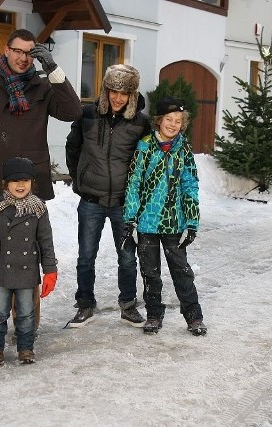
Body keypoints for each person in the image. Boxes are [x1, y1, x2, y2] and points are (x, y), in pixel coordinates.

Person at [0, 29, 82, 336]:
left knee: (28, 251)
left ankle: (27, 320)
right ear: (6, 49)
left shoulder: (43, 85)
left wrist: (53, 69)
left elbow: (72, 111)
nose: (23, 58)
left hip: (30, 182)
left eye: (30, 53)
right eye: (18, 50)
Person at [64, 64, 151, 328]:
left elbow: (146, 161)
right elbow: (73, 147)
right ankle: (85, 304)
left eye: (123, 93)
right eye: (113, 90)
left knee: (126, 257)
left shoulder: (140, 123)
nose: (117, 97)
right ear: (106, 90)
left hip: (124, 203)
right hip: (91, 200)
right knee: (85, 256)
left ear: (132, 95)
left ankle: (127, 305)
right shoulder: (87, 114)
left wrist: (138, 194)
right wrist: (79, 180)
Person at [122, 96, 207, 336]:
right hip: (148, 221)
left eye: (178, 121)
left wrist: (191, 222)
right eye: (168, 119)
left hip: (174, 222)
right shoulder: (145, 146)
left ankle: (194, 316)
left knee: (181, 271)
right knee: (150, 272)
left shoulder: (184, 150)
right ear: (159, 121)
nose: (172, 124)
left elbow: (190, 185)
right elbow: (134, 183)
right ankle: (153, 314)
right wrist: (130, 218)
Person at [0, 157, 57, 365]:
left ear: (32, 183)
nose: (20, 185)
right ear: (6, 184)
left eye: (25, 181)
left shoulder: (38, 209)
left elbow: (46, 241)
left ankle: (26, 348)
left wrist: (50, 271)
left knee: (26, 313)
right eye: (15, 181)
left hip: (27, 271)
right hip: (2, 270)